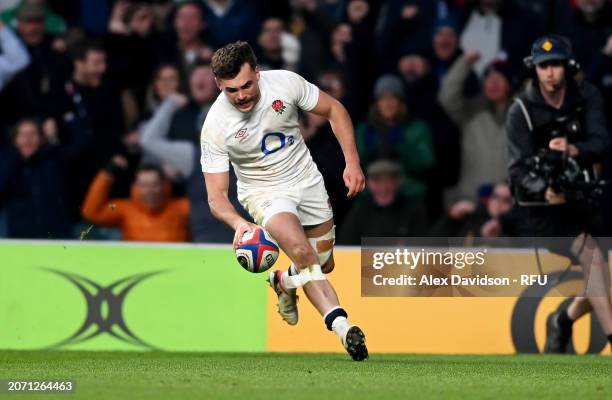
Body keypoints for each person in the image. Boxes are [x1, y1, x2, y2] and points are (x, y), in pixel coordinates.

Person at [200, 41, 368, 360]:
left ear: (258, 73)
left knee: (323, 263)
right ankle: (344, 328)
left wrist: (352, 161)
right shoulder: (215, 127)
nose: (241, 95)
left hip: (307, 181)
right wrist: (240, 223)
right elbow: (216, 197)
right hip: (264, 194)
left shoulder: (286, 83)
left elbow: (334, 110)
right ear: (218, 85)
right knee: (303, 253)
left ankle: (284, 281)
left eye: (247, 85)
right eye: (231, 90)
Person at [506, 34, 612, 353]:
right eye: (543, 66)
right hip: (545, 210)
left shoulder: (587, 96)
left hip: (584, 197)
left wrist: (574, 149)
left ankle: (564, 319)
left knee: (600, 272)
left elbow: (602, 142)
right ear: (534, 69)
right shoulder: (521, 111)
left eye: (555, 65)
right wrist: (545, 188)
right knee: (593, 256)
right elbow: (517, 172)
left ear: (567, 66)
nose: (550, 72)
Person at [81, 156, 190, 242]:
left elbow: (206, 212)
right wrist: (107, 174)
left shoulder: (182, 207)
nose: (150, 190)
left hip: (176, 266)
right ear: (136, 187)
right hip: (136, 266)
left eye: (154, 184)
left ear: (164, 185)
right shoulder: (126, 209)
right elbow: (92, 213)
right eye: (144, 185)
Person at [338, 159, 429, 244]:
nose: (383, 187)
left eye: (388, 180)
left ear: (398, 181)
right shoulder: (360, 212)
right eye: (377, 180)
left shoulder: (413, 210)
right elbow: (345, 246)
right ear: (368, 183)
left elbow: (425, 247)